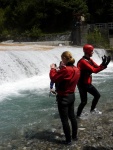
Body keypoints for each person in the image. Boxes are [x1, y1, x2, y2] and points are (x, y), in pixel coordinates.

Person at [49, 51, 80, 145]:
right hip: (72, 95)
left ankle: (68, 140)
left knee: (64, 120)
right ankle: (74, 136)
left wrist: (52, 69)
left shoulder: (66, 70)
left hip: (63, 97)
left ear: (65, 59)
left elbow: (53, 78)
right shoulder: (76, 69)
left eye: (62, 58)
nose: (61, 60)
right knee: (72, 117)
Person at [76, 44, 111, 118]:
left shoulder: (89, 60)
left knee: (84, 101)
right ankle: (81, 114)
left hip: (85, 83)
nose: (93, 52)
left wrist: (105, 63)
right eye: (92, 51)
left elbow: (97, 67)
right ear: (88, 51)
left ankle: (80, 114)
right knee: (94, 97)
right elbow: (94, 70)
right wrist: (104, 65)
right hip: (83, 84)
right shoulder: (83, 62)